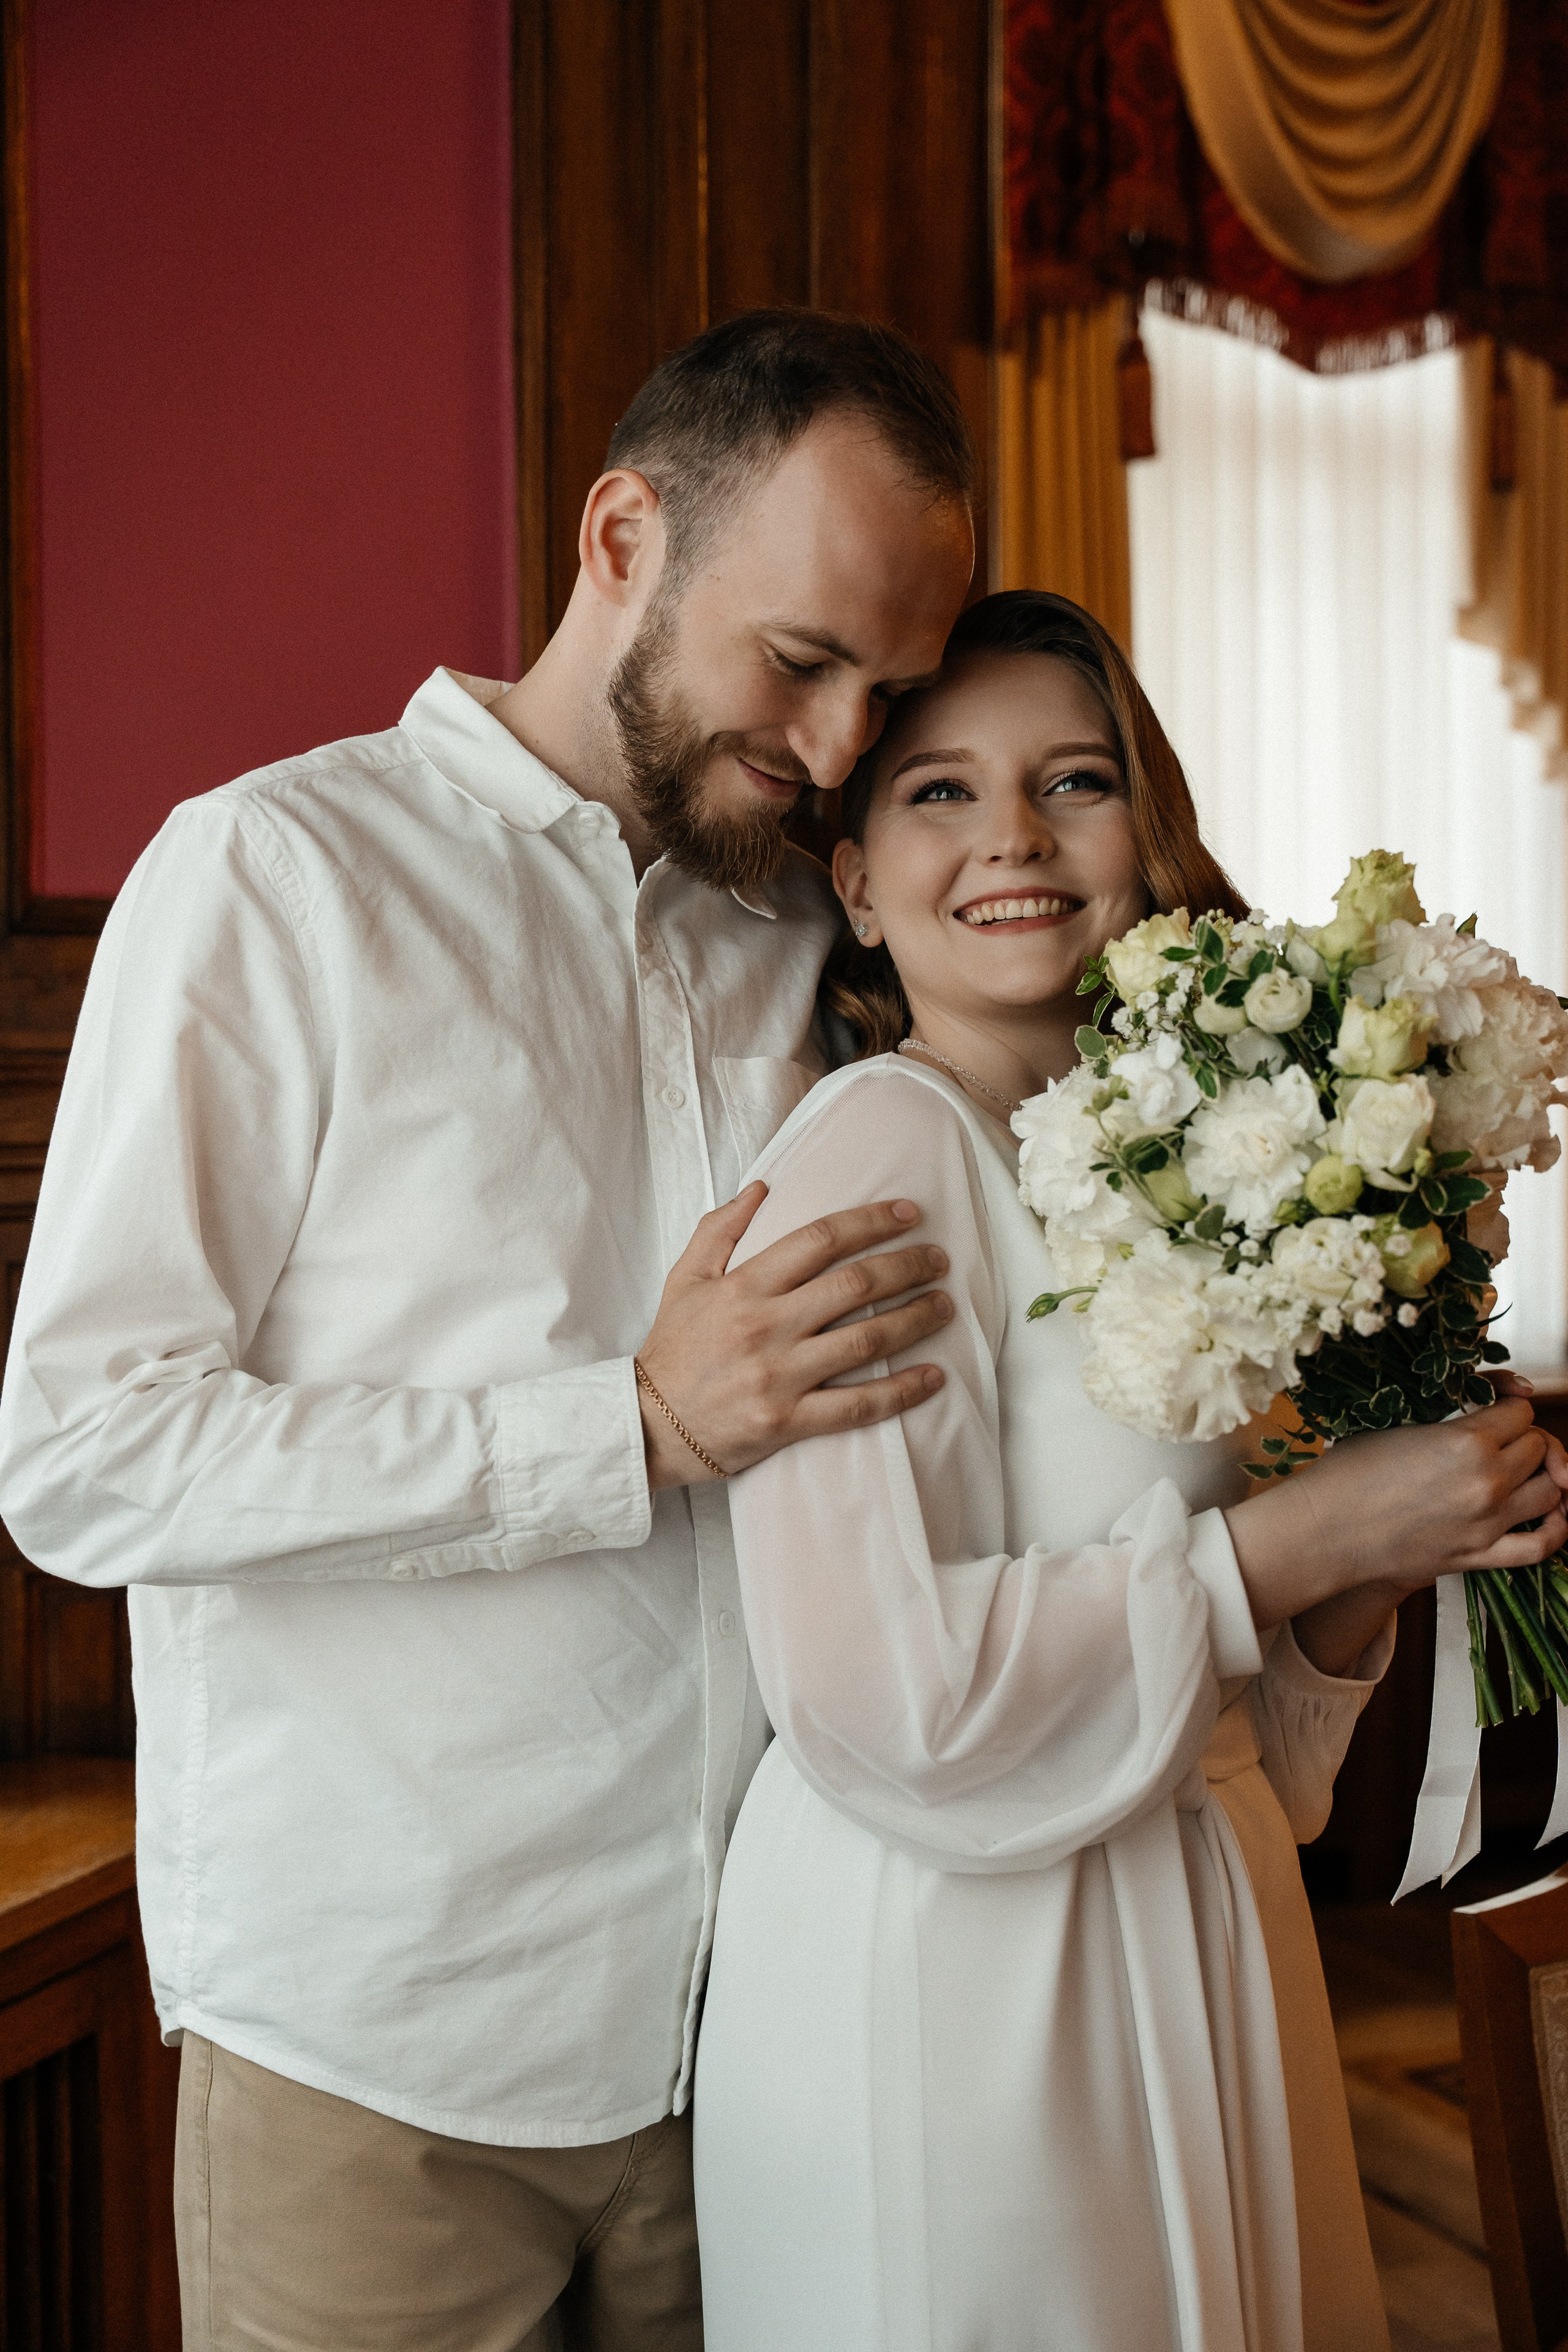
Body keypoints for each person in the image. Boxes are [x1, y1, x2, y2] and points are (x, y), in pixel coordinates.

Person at [0, 311, 979, 2351]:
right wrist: (628, 1427)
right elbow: (84, 1453)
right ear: (624, 536)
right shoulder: (275, 877)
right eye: (801, 660)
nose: (834, 748)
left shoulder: (818, 926)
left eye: (884, 693)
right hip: (385, 2052)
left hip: (770, 2031)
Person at [692, 589, 1568, 2352]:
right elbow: (882, 1697)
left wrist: (1382, 1551)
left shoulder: (1169, 1173)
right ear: (854, 880)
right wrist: (1302, 1540)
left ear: (1147, 836)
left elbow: (1261, 1746)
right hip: (965, 1973)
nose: (1014, 833)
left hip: (1197, 1908)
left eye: (1075, 780)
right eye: (939, 790)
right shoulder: (877, 1155)